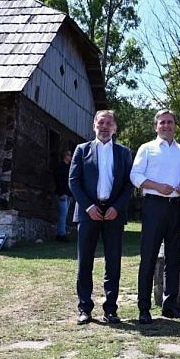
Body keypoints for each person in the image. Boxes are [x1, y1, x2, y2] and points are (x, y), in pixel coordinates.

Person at [69, 110, 134, 325]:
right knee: (85, 262)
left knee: (113, 262)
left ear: (115, 127)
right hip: (89, 213)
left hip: (113, 213)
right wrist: (88, 207)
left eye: (109, 123)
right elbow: (74, 181)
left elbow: (129, 184)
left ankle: (111, 309)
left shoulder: (124, 153)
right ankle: (85, 308)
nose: (104, 127)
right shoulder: (82, 150)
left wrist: (117, 207)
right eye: (101, 122)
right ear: (94, 125)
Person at [131, 109, 180, 324]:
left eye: (170, 122)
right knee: (148, 256)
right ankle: (144, 307)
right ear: (156, 126)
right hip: (154, 206)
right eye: (162, 122)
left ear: (175, 125)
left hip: (176, 207)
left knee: (174, 257)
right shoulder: (147, 149)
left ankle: (170, 304)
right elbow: (135, 175)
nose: (166, 126)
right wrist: (157, 186)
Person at [53, 149, 73, 242]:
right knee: (63, 214)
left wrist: (71, 195)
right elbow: (58, 181)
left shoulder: (69, 167)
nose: (71, 157)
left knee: (64, 214)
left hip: (67, 194)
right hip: (61, 194)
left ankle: (61, 233)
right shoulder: (59, 167)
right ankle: (61, 234)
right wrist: (61, 194)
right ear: (65, 156)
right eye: (69, 155)